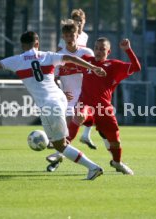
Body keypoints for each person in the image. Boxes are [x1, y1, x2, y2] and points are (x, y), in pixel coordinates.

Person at [0, 31, 106, 180]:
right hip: (60, 98)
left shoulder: (17, 60)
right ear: (37, 43)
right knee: (60, 142)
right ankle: (61, 144)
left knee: (60, 146)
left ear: (22, 45)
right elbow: (71, 58)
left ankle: (93, 168)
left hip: (48, 106)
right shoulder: (48, 55)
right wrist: (93, 67)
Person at [49, 37, 141, 175]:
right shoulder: (87, 60)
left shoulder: (114, 65)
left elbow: (136, 67)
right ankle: (60, 151)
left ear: (108, 51)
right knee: (78, 116)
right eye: (96, 48)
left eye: (102, 49)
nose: (98, 51)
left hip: (104, 109)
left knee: (115, 143)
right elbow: (68, 62)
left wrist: (128, 50)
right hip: (85, 104)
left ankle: (117, 162)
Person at [57, 9, 95, 149]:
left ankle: (84, 135)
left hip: (82, 81)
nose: (79, 23)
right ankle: (62, 145)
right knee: (70, 119)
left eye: (81, 21)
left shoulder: (84, 37)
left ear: (84, 22)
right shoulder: (65, 43)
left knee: (93, 110)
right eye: (76, 21)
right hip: (69, 83)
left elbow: (89, 59)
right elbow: (59, 56)